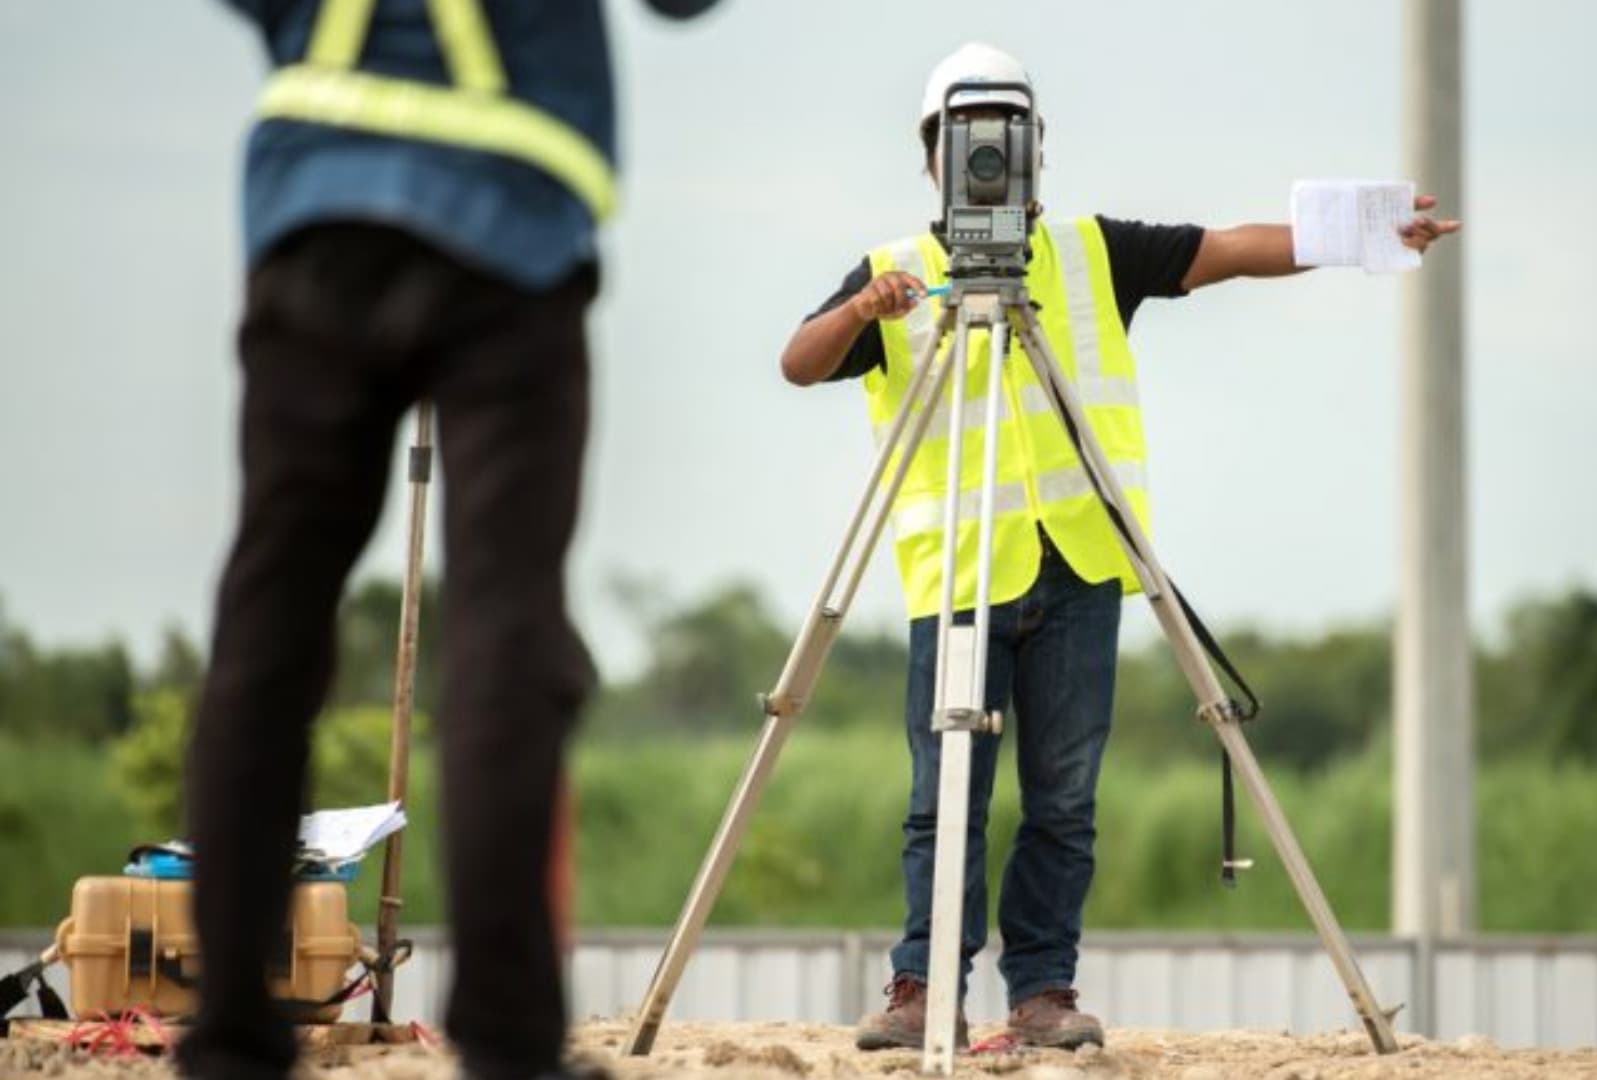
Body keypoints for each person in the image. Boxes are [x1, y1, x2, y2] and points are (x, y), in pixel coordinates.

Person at [779, 43, 1460, 1052]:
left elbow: (1230, 247)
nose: (987, 163)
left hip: (1085, 569)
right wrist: (859, 312)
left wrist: (1365, 233)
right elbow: (799, 363)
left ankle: (1041, 994)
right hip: (960, 579)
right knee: (944, 799)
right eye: (966, 143)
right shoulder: (896, 278)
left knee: (1064, 796)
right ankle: (923, 990)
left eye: (1004, 142)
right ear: (933, 156)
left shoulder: (1093, 254)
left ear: (1035, 150)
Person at [180, 2, 716, 1078]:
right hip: (510, 232)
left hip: (313, 207)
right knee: (506, 634)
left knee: (268, 630)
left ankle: (233, 1039)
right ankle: (510, 1042)